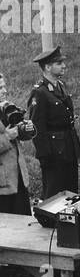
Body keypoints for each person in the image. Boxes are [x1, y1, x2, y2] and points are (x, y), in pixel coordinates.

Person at [26, 44, 80, 197]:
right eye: (59, 63)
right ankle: (51, 222)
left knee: (71, 192)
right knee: (54, 195)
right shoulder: (40, 92)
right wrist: (45, 156)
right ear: (48, 67)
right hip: (53, 153)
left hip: (68, 148)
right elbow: (37, 128)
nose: (64, 66)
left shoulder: (60, 86)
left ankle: (69, 221)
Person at [0, 70, 34, 214]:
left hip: (18, 178)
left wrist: (25, 129)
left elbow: (17, 133)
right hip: (3, 186)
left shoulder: (7, 108)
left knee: (23, 220)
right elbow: (9, 136)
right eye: (0, 87)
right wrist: (7, 138)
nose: (5, 90)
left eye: (4, 86)